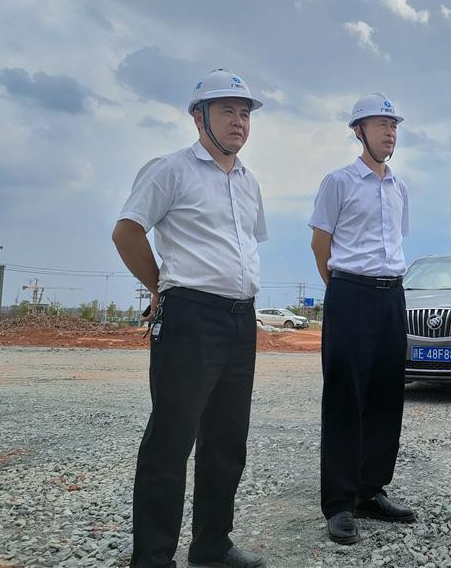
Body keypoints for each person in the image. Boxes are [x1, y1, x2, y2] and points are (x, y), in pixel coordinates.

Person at [112, 69, 268, 568]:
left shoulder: (248, 182)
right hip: (190, 317)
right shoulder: (171, 170)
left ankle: (211, 545)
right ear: (198, 117)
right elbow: (127, 232)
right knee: (171, 439)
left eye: (244, 113)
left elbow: (244, 247)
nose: (239, 121)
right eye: (226, 111)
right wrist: (159, 286)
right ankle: (153, 558)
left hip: (240, 320)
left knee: (227, 440)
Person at [309, 93, 415, 545]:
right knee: (344, 398)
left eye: (394, 125)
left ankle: (371, 490)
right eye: (380, 124)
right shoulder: (339, 181)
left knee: (387, 395)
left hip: (393, 296)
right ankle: (339, 502)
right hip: (351, 293)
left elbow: (395, 244)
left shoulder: (399, 188)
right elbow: (321, 244)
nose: (389, 132)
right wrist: (343, 291)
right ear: (358, 131)